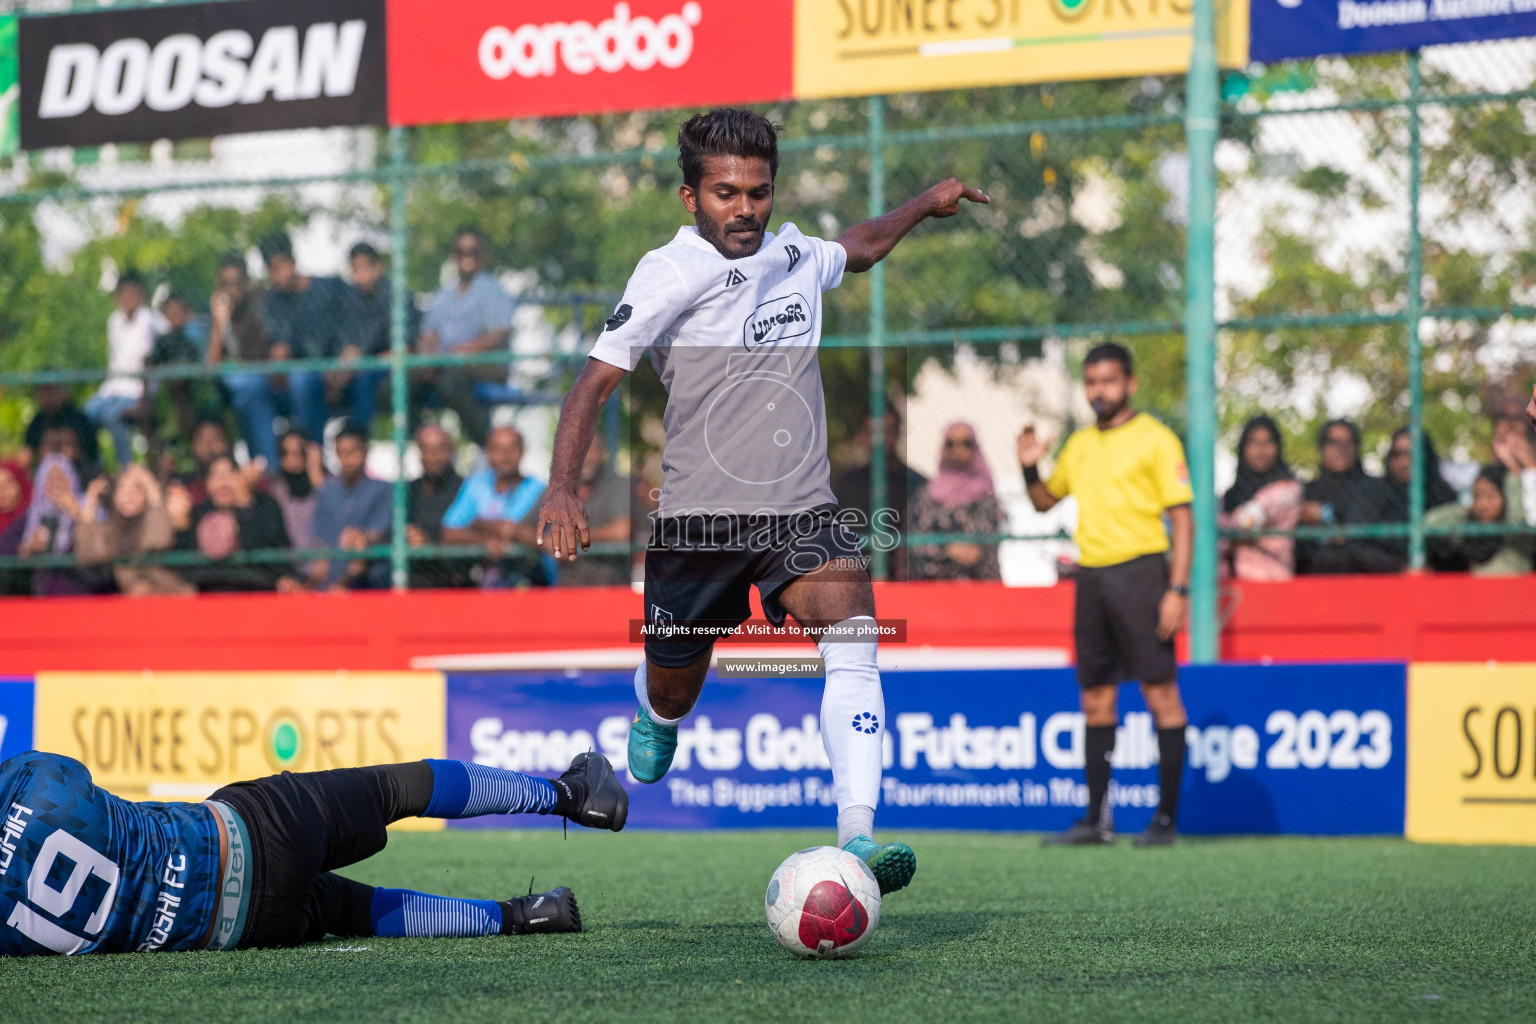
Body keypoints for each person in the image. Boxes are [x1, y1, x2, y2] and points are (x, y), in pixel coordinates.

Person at [535, 107, 988, 895]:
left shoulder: (793, 253)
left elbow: (862, 246)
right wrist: (562, 485)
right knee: (678, 685)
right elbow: (595, 381)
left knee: (855, 637)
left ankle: (859, 835)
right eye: (725, 193)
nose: (744, 208)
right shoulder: (667, 273)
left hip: (801, 510)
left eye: (757, 191)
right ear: (690, 197)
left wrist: (923, 204)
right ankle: (657, 709)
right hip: (697, 524)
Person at [0, 748, 627, 955]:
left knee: (352, 911)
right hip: (251, 832)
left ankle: (526, 917)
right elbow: (74, 782)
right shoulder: (34, 781)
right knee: (396, 787)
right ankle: (572, 794)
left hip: (241, 929)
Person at [1018, 342, 1193, 846]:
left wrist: (1177, 589)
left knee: (1161, 695)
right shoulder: (1080, 444)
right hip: (1091, 580)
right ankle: (1096, 820)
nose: (1099, 391)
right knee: (1095, 698)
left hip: (1142, 575)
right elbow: (1043, 502)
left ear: (1130, 384)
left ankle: (1165, 820)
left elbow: (1183, 519)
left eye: (1108, 381)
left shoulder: (1156, 439)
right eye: (1091, 381)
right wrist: (1030, 466)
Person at [412, 228, 516, 446]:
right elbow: (428, 334)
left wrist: (458, 353)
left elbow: (496, 336)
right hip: (444, 364)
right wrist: (428, 358)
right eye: (461, 252)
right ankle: (430, 449)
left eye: (474, 251)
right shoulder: (443, 294)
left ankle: (489, 446)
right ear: (453, 256)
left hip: (486, 365)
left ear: (484, 255)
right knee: (407, 380)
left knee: (452, 379)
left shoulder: (493, 290)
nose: (467, 257)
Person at [259, 232, 352, 444]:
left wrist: (341, 366)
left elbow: (353, 330)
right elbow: (279, 351)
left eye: (280, 266)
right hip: (304, 375)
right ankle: (307, 455)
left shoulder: (330, 288)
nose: (277, 275)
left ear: (292, 262)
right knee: (292, 381)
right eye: (270, 270)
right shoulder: (274, 300)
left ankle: (313, 451)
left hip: (342, 368)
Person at [441, 426, 551, 588]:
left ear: (522, 451)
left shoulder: (538, 489)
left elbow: (531, 535)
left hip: (529, 581)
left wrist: (479, 523)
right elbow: (450, 533)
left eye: (512, 448)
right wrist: (485, 542)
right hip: (480, 584)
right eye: (498, 449)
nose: (505, 456)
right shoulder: (476, 484)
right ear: (488, 453)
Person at [172, 455, 297, 593]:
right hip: (214, 596)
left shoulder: (265, 506)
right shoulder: (199, 514)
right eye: (216, 475)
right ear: (206, 484)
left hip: (260, 593)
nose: (223, 481)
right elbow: (187, 566)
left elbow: (260, 548)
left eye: (230, 473)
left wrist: (243, 501)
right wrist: (181, 524)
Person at [831, 405, 927, 580]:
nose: (880, 439)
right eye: (872, 432)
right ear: (862, 435)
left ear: (898, 434)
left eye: (887, 431)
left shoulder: (919, 486)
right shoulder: (844, 485)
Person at [1297, 419, 1402, 575]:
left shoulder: (1375, 488)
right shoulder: (1307, 492)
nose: (1341, 449)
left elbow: (1370, 539)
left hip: (1368, 576)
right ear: (1322, 448)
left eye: (1347, 443)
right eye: (1333, 443)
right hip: (1316, 579)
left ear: (1356, 447)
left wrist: (1328, 518)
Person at [73, 463, 194, 596]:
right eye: (122, 489)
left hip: (167, 596)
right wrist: (90, 504)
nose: (129, 494)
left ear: (146, 495)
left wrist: (150, 485)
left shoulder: (156, 519)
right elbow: (89, 554)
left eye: (137, 489)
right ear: (114, 496)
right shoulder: (108, 528)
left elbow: (158, 540)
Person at [206, 253, 279, 466]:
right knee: (242, 390)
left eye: (237, 284)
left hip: (264, 377)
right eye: (226, 284)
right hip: (234, 383)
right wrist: (220, 322)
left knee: (249, 388)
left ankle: (267, 465)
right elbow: (212, 363)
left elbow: (260, 355)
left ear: (246, 282)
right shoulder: (220, 311)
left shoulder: (260, 303)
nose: (232, 290)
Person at [908, 421, 1002, 581]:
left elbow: (985, 545)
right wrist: (948, 548)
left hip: (978, 585)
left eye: (966, 443)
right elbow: (916, 541)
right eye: (951, 443)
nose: (958, 449)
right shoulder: (927, 494)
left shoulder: (986, 494)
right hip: (932, 586)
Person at [85, 271, 160, 468]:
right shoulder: (114, 321)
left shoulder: (149, 321)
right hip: (112, 388)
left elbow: (148, 362)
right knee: (86, 414)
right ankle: (94, 467)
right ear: (117, 298)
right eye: (124, 294)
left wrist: (144, 401)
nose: (128, 298)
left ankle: (125, 469)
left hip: (136, 391)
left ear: (142, 294)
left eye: (133, 293)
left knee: (113, 418)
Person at [309, 422, 392, 590]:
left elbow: (378, 534)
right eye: (341, 453)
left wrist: (363, 539)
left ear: (365, 451)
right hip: (330, 588)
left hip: (371, 584)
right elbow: (321, 546)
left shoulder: (383, 490)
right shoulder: (326, 492)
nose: (347, 460)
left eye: (352, 452)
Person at [1219, 415, 1303, 581]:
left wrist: (1221, 533)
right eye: (1254, 443)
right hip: (1232, 581)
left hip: (1270, 579)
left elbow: (1247, 521)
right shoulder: (1233, 493)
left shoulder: (1287, 489)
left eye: (1267, 443)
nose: (1261, 450)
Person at [1424, 464, 1533, 576]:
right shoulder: (1470, 534)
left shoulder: (1518, 539)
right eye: (1476, 496)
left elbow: (1517, 520)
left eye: (1490, 496)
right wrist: (1465, 509)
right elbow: (1428, 523)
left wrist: (1514, 474)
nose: (1482, 505)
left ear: (1506, 497)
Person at [555, 438, 632, 587]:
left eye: (591, 450)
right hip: (568, 588)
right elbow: (528, 528)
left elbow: (622, 531)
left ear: (603, 452)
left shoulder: (619, 484)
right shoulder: (559, 488)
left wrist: (574, 536)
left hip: (609, 587)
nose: (585, 457)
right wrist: (548, 541)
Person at [406, 423, 469, 589]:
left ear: (451, 451)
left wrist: (429, 543)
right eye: (426, 450)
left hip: (454, 581)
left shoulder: (465, 489)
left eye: (440, 449)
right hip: (414, 582)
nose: (433, 456)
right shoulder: (408, 491)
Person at [268, 428, 326, 559]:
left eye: (299, 452)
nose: (291, 459)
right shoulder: (276, 489)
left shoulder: (327, 484)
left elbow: (329, 515)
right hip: (291, 566)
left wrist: (315, 470)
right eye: (285, 453)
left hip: (327, 563)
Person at [23, 384, 100, 475]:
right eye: (41, 391)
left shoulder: (79, 419)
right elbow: (26, 455)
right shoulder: (37, 422)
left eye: (50, 390)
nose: (46, 396)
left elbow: (91, 455)